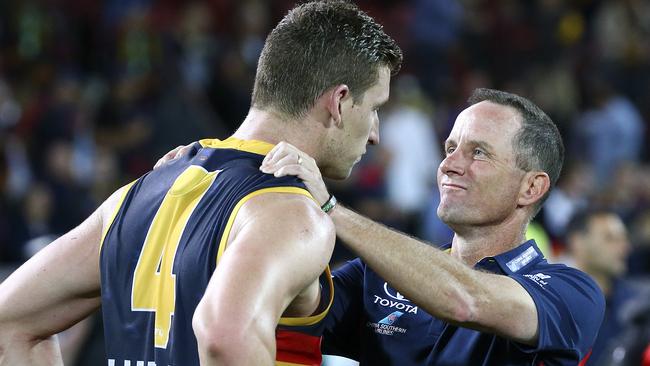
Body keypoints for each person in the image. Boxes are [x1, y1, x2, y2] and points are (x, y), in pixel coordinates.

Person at [0, 2, 402, 365]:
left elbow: (10, 323)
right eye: (374, 109)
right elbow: (225, 338)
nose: (375, 135)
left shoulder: (140, 192)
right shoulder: (292, 213)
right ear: (339, 100)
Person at [259, 88, 606, 365]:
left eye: (479, 153)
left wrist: (332, 210)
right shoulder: (376, 275)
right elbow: (292, 304)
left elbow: (465, 300)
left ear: (531, 187)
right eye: (450, 148)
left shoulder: (572, 293)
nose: (449, 165)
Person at [565, 209, 647, 365]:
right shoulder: (553, 302)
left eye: (624, 238)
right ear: (578, 242)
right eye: (610, 238)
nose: (625, 247)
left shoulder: (639, 305)